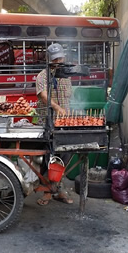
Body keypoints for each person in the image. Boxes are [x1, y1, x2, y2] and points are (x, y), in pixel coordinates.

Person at [35, 43, 73, 206]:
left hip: (63, 122)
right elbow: (43, 95)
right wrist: (57, 107)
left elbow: (69, 97)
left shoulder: (66, 76)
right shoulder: (42, 76)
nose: (59, 61)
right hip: (47, 121)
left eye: (61, 58)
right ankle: (48, 190)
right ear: (49, 60)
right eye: (56, 59)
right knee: (49, 155)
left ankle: (56, 187)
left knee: (65, 154)